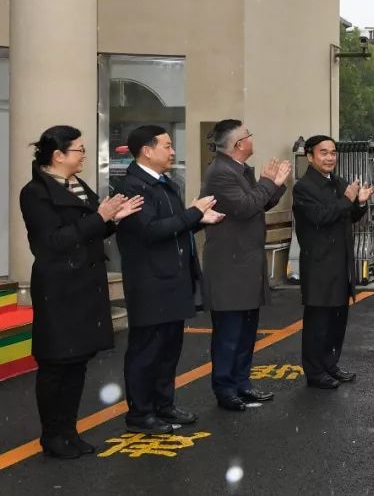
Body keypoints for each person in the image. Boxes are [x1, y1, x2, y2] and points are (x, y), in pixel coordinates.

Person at [19, 126, 143, 459]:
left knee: (77, 362)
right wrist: (101, 216)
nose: (84, 156)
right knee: (56, 363)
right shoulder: (35, 192)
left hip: (84, 282)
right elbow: (53, 242)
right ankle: (52, 435)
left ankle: (70, 430)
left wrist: (113, 219)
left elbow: (91, 228)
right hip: (59, 286)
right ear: (57, 155)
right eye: (79, 150)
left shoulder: (76, 185)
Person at [115, 125, 223, 434]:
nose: (172, 151)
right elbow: (149, 231)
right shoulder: (133, 187)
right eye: (166, 145)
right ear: (146, 151)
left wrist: (198, 221)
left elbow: (175, 228)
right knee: (146, 351)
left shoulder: (166, 184)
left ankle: (164, 405)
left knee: (168, 350)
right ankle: (141, 413)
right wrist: (192, 214)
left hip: (174, 279)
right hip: (150, 282)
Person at [200, 119, 290, 411]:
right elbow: (245, 207)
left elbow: (257, 202)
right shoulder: (220, 173)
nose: (252, 139)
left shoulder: (238, 170)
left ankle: (242, 382)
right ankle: (225, 388)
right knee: (229, 332)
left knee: (246, 330)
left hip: (246, 264)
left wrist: (274, 185)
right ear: (238, 145)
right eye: (248, 135)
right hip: (230, 266)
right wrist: (268, 183)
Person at [292, 134, 374, 387]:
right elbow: (321, 217)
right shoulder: (304, 187)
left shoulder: (338, 182)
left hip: (341, 262)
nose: (330, 158)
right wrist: (348, 199)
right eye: (323, 153)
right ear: (310, 156)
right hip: (319, 264)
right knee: (318, 321)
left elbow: (346, 216)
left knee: (337, 319)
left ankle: (331, 364)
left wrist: (359, 204)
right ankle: (315, 372)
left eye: (333, 153)